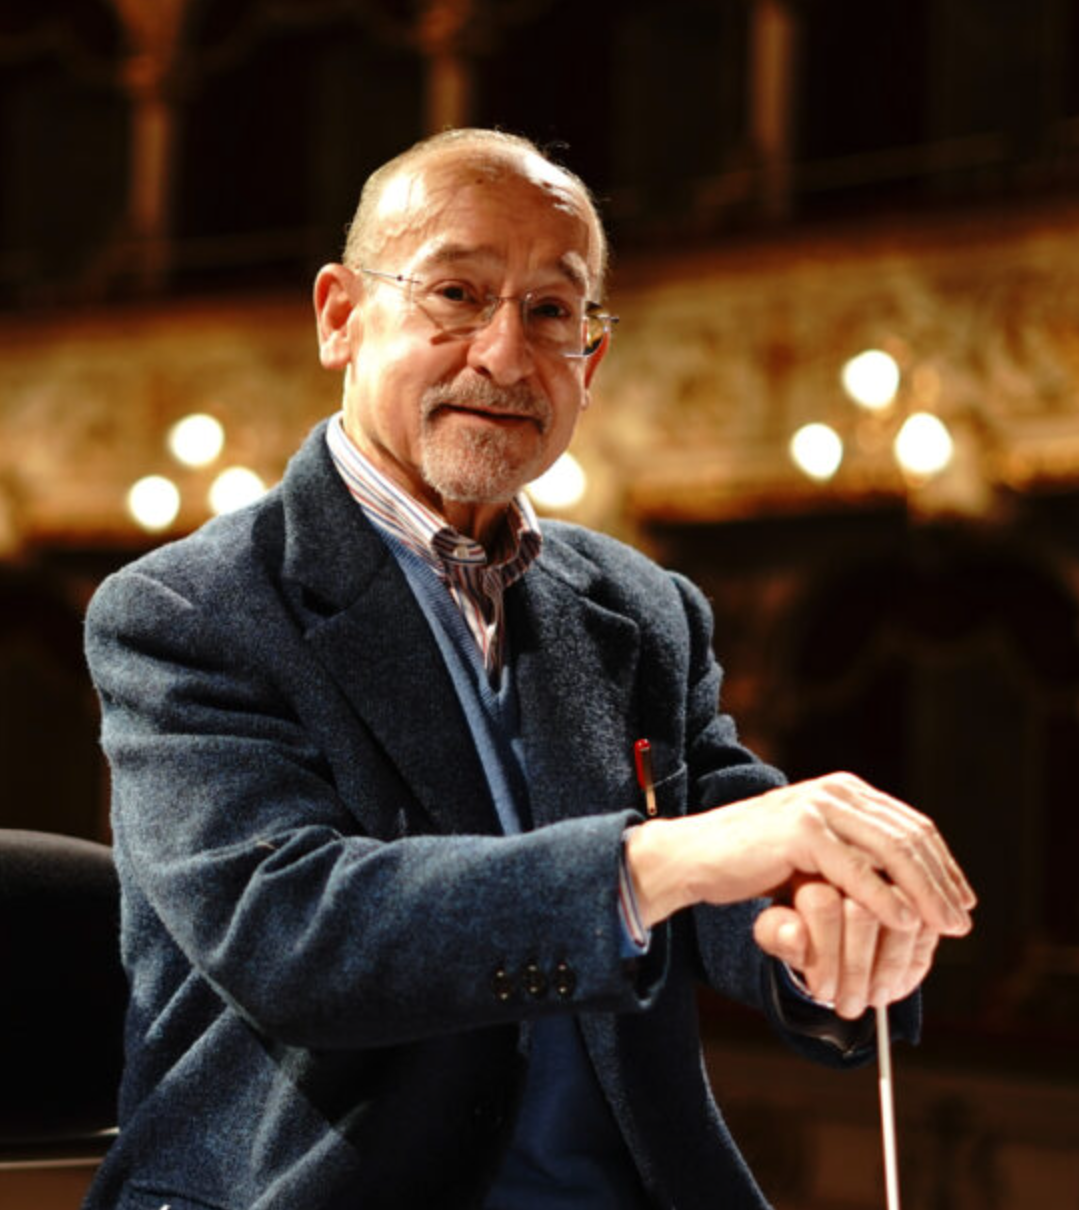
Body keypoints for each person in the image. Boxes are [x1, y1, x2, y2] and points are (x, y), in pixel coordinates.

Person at [82, 128, 975, 1210]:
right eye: (456, 293)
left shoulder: (643, 607)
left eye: (552, 311)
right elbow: (296, 933)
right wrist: (666, 859)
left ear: (588, 364)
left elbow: (734, 858)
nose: (506, 357)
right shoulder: (185, 610)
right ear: (339, 317)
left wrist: (825, 927)